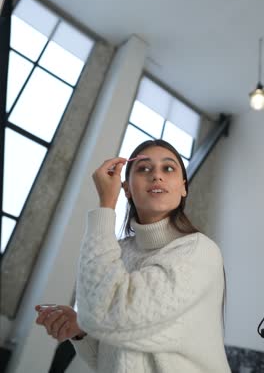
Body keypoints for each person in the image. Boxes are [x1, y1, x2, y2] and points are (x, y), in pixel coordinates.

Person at [35, 139, 231, 372]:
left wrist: (105, 206)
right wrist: (81, 331)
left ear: (183, 188)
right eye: (144, 168)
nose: (157, 175)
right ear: (126, 188)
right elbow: (111, 359)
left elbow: (105, 312)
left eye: (168, 168)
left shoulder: (199, 252)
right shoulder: (115, 252)